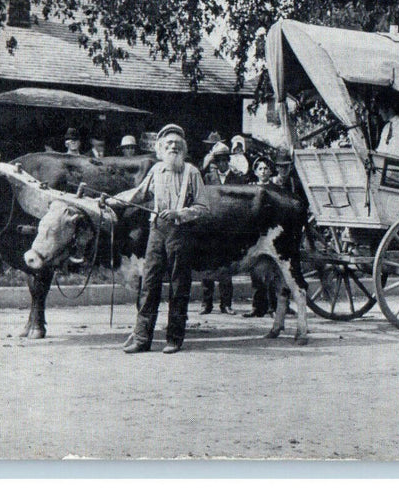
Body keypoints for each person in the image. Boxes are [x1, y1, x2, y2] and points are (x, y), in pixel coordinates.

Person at [113, 124, 208, 354]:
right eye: (168, 144)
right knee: (149, 284)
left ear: (183, 149)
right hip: (156, 231)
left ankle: (174, 338)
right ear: (160, 149)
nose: (173, 147)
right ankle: (142, 338)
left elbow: (203, 207)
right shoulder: (156, 171)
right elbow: (138, 194)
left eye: (177, 144)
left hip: (180, 232)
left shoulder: (192, 172)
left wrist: (180, 213)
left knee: (178, 285)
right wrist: (112, 200)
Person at [199, 143, 244, 315]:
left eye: (225, 160)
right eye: (219, 160)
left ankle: (226, 304)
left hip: (228, 227)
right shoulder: (207, 178)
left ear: (229, 161)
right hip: (210, 226)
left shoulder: (237, 179)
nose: (223, 163)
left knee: (225, 267)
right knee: (207, 267)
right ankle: (206, 303)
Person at [244, 155, 280, 318]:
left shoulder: (275, 189)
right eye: (260, 169)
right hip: (255, 234)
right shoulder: (251, 189)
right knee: (256, 271)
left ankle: (273, 307)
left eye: (266, 168)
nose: (263, 171)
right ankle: (257, 307)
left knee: (272, 272)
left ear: (270, 171)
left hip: (272, 233)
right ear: (256, 172)